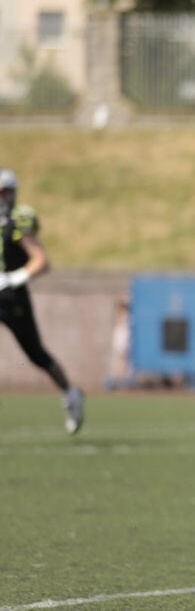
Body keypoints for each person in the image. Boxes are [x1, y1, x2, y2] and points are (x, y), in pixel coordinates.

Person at [0, 168, 84, 433]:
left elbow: (40, 260)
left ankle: (70, 394)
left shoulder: (17, 221)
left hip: (12, 297)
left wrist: (13, 278)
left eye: (4, 193)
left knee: (36, 354)